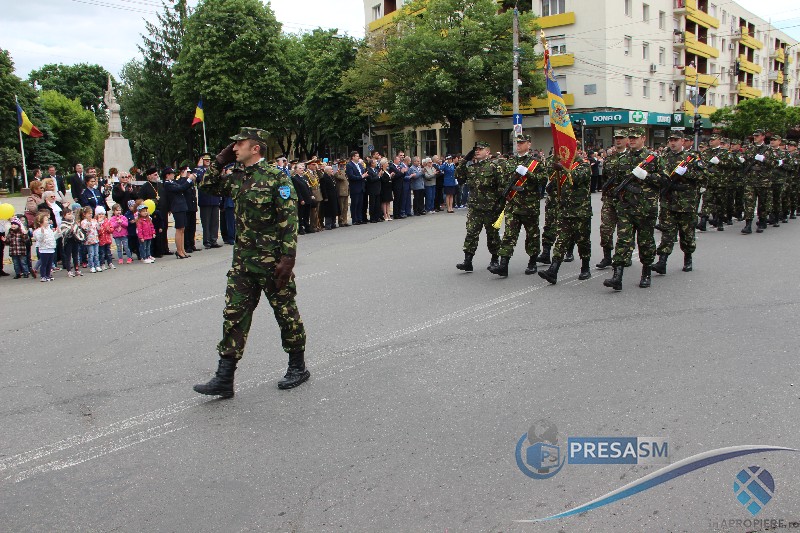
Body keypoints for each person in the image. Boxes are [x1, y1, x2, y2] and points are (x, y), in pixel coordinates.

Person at [193, 127, 309, 398]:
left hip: (272, 262)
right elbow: (206, 186)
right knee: (233, 314)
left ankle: (298, 366)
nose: (234, 148)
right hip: (243, 262)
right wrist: (218, 161)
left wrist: (288, 259)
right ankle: (224, 378)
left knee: (285, 313)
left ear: (255, 148)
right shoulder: (236, 177)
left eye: (239, 143)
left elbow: (289, 221)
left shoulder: (276, 177)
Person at [604, 127, 661, 291]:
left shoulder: (653, 158)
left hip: (645, 208)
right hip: (626, 207)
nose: (632, 140)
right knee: (623, 241)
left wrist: (647, 176)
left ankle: (646, 274)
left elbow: (664, 180)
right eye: (631, 137)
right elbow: (616, 181)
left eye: (635, 137)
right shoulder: (622, 159)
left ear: (643, 138)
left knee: (645, 242)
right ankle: (617, 277)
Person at [491, 134, 545, 277]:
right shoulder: (510, 161)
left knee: (532, 235)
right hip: (513, 204)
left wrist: (528, 174)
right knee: (509, 235)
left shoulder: (536, 162)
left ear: (529, 144)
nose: (519, 145)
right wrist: (503, 193)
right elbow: (503, 180)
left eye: (522, 142)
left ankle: (532, 262)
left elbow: (542, 180)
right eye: (518, 142)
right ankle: (503, 265)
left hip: (529, 205)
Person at [652, 131, 705, 275]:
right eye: (671, 140)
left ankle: (688, 258)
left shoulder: (692, 157)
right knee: (667, 232)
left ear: (682, 141)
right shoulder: (663, 157)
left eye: (676, 140)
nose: (673, 143)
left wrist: (686, 173)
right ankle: (662, 262)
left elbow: (704, 175)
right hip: (668, 201)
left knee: (686, 233)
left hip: (686, 202)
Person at [539, 152, 593, 284]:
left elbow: (576, 177)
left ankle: (585, 268)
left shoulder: (583, 165)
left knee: (583, 241)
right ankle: (553, 270)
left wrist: (562, 168)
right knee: (561, 241)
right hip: (565, 210)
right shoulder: (562, 166)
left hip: (581, 211)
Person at [455, 141, 504, 272]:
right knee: (471, 234)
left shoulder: (494, 167)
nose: (477, 151)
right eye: (475, 149)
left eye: (480, 149)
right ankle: (468, 261)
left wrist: (499, 206)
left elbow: (502, 187)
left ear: (487, 152)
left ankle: (495, 260)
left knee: (492, 235)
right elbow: (458, 175)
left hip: (490, 208)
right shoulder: (471, 167)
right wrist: (465, 159)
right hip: (474, 208)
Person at [595, 130, 628, 269]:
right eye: (616, 138)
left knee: (624, 231)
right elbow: (604, 179)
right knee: (605, 229)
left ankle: (624, 256)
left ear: (627, 140)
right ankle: (607, 257)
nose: (618, 140)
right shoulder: (609, 159)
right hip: (610, 199)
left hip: (625, 200)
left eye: (621, 138)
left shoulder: (631, 158)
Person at [741, 129, 773, 234]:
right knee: (749, 202)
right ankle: (748, 224)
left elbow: (774, 164)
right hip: (750, 180)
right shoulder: (750, 148)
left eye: (757, 136)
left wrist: (764, 160)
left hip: (763, 180)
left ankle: (762, 222)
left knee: (763, 203)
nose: (755, 137)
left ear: (763, 137)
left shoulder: (768, 149)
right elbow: (745, 161)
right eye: (754, 136)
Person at [163, 166, 194, 258]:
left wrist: (187, 179)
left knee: (182, 229)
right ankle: (179, 250)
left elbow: (182, 185)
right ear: (167, 175)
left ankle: (182, 249)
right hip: (177, 207)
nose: (173, 175)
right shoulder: (167, 184)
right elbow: (181, 188)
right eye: (172, 173)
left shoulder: (173, 182)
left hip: (182, 206)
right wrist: (189, 179)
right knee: (179, 229)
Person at [196, 153, 222, 248]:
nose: (208, 161)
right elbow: (199, 178)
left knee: (215, 222)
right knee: (206, 222)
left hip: (214, 199)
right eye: (205, 159)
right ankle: (207, 241)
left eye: (209, 160)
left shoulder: (213, 170)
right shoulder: (199, 170)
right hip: (205, 199)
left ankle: (213, 240)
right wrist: (199, 167)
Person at [32, 212, 60, 282]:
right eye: (46, 220)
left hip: (51, 248)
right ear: (40, 222)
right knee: (44, 264)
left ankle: (48, 275)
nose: (48, 221)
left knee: (49, 264)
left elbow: (53, 237)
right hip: (44, 249)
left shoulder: (49, 229)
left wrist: (57, 232)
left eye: (48, 220)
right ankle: (43, 276)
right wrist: (42, 233)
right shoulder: (37, 231)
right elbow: (39, 239)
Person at [291, 162, 314, 234]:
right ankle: (300, 228)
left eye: (302, 168)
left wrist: (311, 195)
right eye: (300, 168)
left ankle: (307, 227)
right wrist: (301, 199)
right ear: (296, 170)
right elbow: (297, 190)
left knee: (307, 214)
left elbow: (309, 187)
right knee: (301, 214)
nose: (302, 169)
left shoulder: (304, 177)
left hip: (307, 198)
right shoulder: (294, 178)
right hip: (302, 199)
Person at [347, 151, 367, 225]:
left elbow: (363, 173)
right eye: (357, 156)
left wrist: (364, 175)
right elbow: (351, 176)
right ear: (353, 157)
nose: (358, 157)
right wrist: (361, 176)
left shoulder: (359, 165)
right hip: (355, 187)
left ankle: (359, 218)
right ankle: (354, 219)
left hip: (361, 186)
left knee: (360, 204)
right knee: (355, 203)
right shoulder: (349, 165)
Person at [320, 165, 339, 230]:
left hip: (333, 196)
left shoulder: (331, 177)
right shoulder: (324, 178)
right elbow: (323, 189)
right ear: (327, 171)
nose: (332, 170)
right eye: (331, 169)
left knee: (334, 210)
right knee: (328, 211)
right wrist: (325, 197)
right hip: (328, 197)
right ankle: (328, 224)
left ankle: (333, 223)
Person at [365, 158, 382, 222]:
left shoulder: (376, 169)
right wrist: (378, 176)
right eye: (375, 162)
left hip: (377, 188)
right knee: (372, 204)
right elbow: (371, 179)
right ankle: (372, 218)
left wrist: (379, 176)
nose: (376, 163)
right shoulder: (368, 170)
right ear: (372, 163)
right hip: (372, 189)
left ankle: (377, 217)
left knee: (377, 204)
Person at [335, 160, 350, 227]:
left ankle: (345, 220)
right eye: (342, 165)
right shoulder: (337, 172)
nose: (343, 166)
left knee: (345, 208)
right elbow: (341, 178)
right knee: (341, 207)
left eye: (344, 165)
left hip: (346, 191)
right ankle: (341, 221)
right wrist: (342, 170)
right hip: (341, 192)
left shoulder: (344, 172)